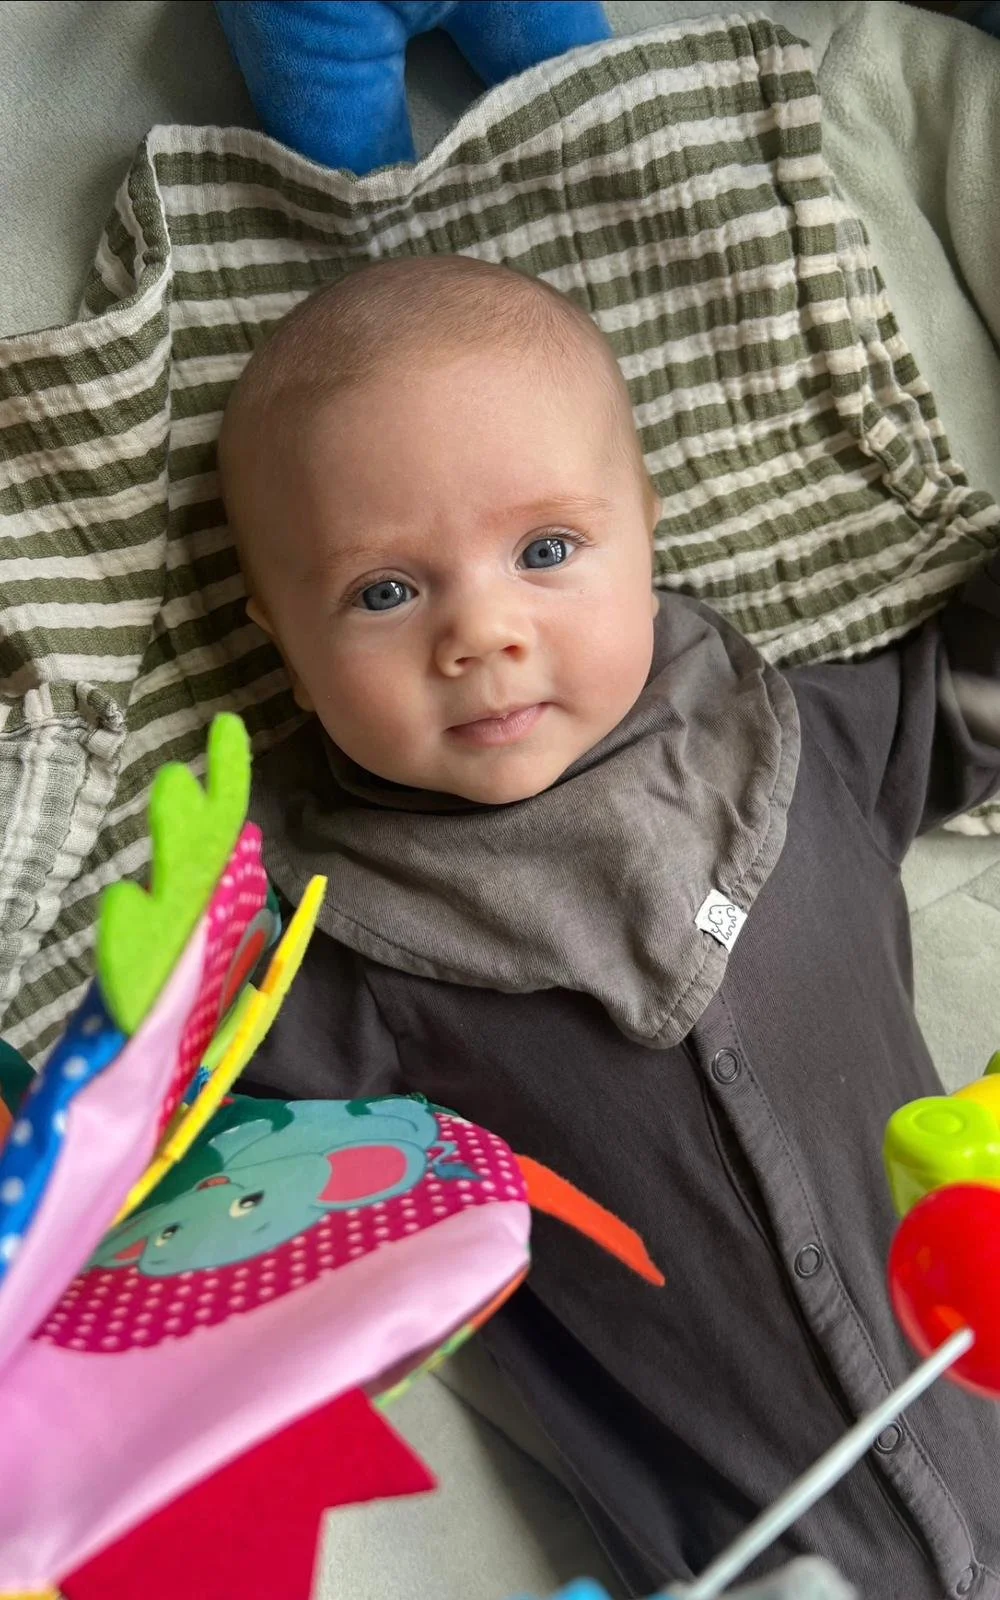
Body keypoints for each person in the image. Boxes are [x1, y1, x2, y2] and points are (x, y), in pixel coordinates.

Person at [218, 253, 1000, 1599]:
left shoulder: (789, 745)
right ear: (282, 644)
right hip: (753, 1561)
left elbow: (969, 699)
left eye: (546, 551)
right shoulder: (337, 950)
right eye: (384, 593)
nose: (481, 630)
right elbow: (228, 1207)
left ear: (646, 531)